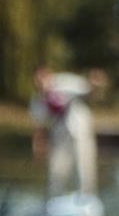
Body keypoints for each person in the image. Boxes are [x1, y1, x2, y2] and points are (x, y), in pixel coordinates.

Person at [29, 67, 104, 200]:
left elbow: (89, 91)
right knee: (56, 172)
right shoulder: (38, 100)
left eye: (43, 80)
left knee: (84, 169)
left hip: (80, 134)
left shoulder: (67, 82)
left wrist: (95, 83)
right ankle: (54, 201)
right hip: (60, 138)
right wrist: (38, 145)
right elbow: (39, 126)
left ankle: (86, 199)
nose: (42, 84)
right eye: (38, 82)